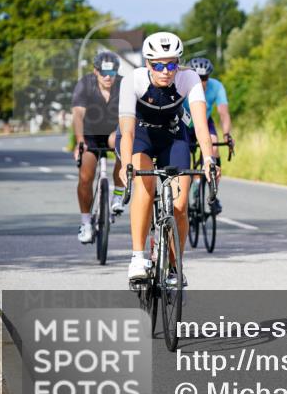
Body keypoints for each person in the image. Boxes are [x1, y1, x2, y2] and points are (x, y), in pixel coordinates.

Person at [116, 32, 218, 284]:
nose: (165, 71)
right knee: (145, 187)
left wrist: (208, 159)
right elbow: (127, 131)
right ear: (147, 63)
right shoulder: (133, 81)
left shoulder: (189, 78)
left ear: (179, 63)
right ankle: (138, 258)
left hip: (173, 135)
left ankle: (174, 266)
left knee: (181, 205)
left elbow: (201, 124)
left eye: (171, 64)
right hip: (140, 135)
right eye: (158, 65)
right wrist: (127, 165)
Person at [72, 50, 125, 244]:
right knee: (85, 176)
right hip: (90, 134)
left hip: (113, 132)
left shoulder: (123, 85)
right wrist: (79, 141)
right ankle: (86, 223)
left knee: (121, 144)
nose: (107, 77)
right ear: (96, 71)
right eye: (103, 73)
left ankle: (118, 195)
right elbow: (78, 115)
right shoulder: (85, 84)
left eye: (112, 73)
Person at [182, 57, 234, 214]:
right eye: (198, 77)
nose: (202, 82)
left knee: (214, 144)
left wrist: (227, 134)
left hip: (204, 121)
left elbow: (223, 113)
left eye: (204, 78)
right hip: (183, 122)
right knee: (182, 154)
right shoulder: (183, 84)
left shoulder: (217, 86)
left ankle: (213, 190)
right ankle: (186, 188)